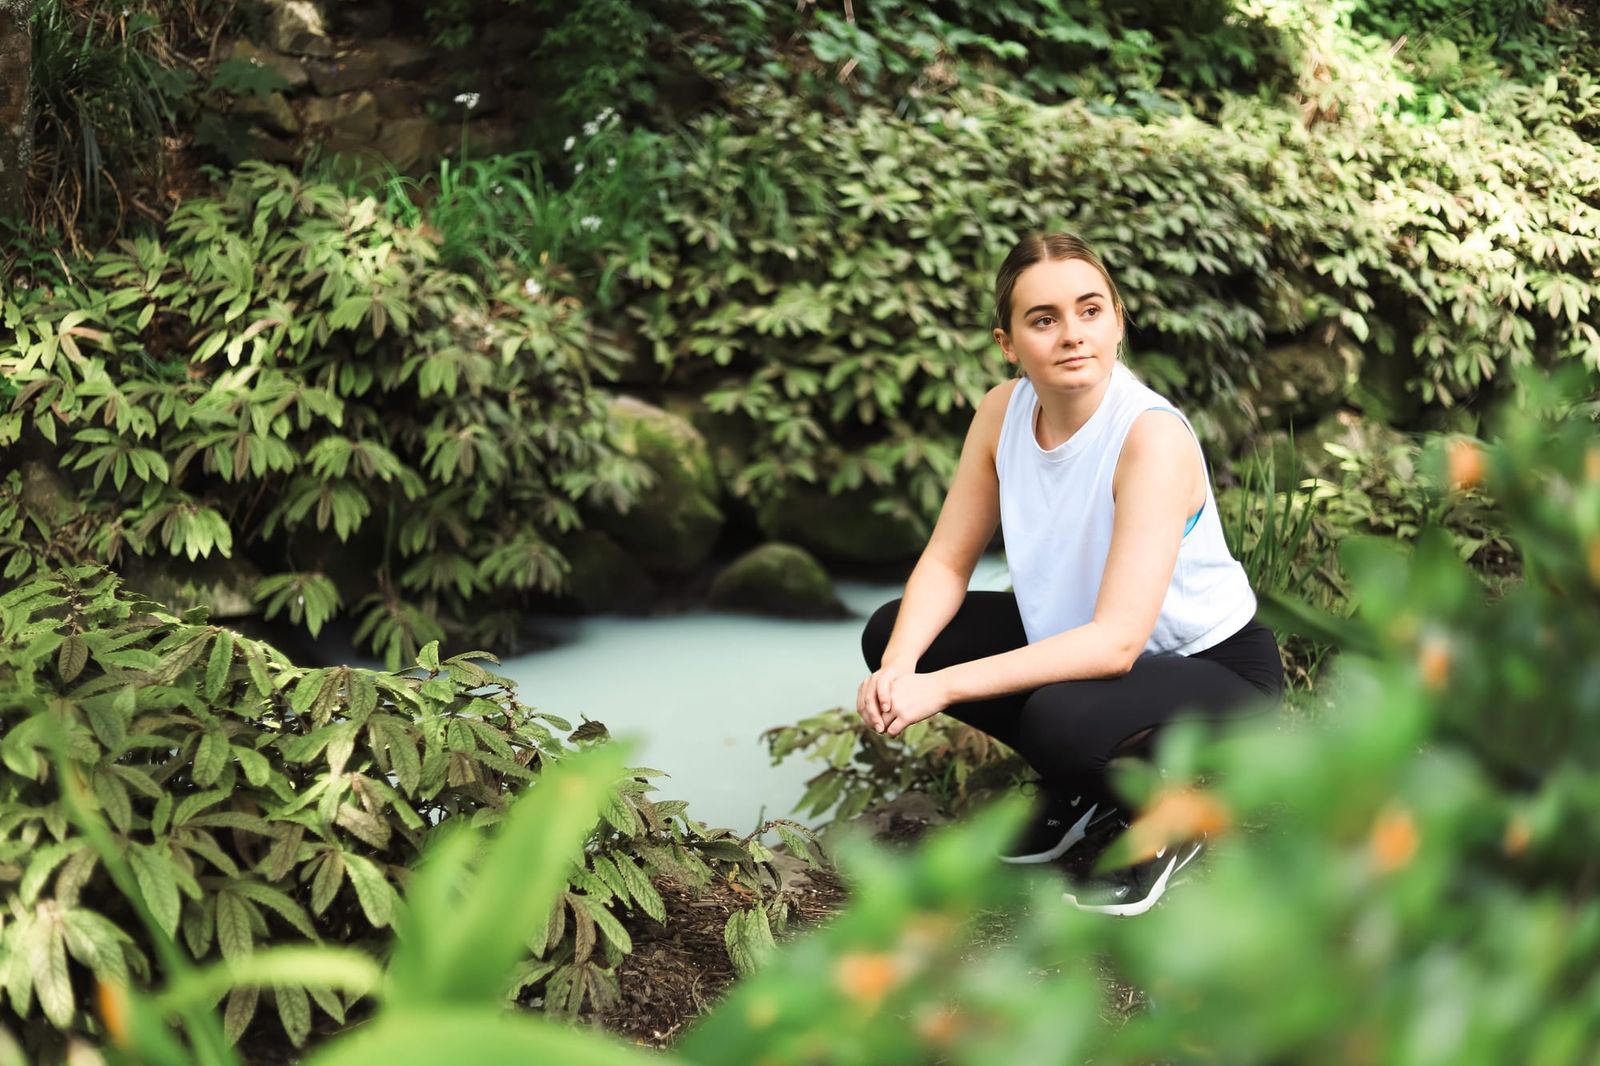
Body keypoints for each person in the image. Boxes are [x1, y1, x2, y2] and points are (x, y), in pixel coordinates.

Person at [857, 232, 1284, 916]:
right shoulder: (1002, 412)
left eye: (1090, 311)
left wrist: (938, 689)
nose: (1071, 335)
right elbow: (945, 559)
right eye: (1043, 319)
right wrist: (903, 668)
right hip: (1091, 651)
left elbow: (1116, 643)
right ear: (1008, 342)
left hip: (1213, 665)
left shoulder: (1150, 438)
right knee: (890, 633)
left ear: (1118, 319)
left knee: (1059, 719)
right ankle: (1086, 790)